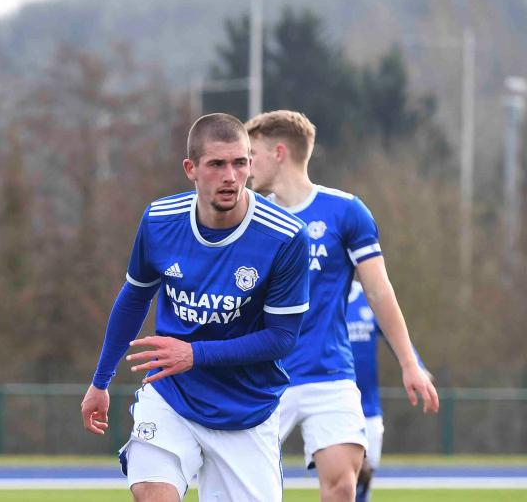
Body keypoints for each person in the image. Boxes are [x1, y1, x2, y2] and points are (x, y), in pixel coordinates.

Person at [80, 113, 310, 501]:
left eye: (240, 163)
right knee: (152, 492)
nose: (230, 176)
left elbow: (282, 338)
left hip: (246, 410)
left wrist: (194, 354)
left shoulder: (285, 236)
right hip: (172, 396)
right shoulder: (159, 221)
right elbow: (134, 298)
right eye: (217, 164)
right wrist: (100, 381)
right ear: (191, 169)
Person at [245, 110, 438, 502]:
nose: (246, 167)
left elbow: (379, 291)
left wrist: (408, 362)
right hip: (265, 377)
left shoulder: (346, 211)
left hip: (328, 374)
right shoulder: (250, 218)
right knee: (244, 489)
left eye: (252, 155)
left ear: (279, 153)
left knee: (342, 487)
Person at [346, 280, 429, 502]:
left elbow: (394, 334)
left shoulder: (368, 297)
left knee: (365, 477)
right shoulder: (321, 295)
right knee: (342, 478)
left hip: (369, 407)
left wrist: (417, 367)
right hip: (334, 403)